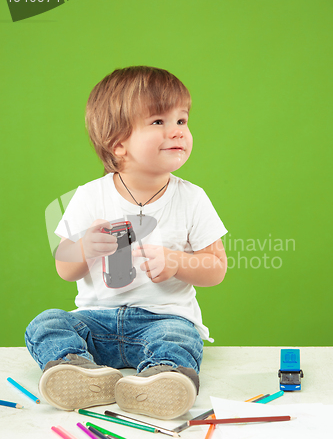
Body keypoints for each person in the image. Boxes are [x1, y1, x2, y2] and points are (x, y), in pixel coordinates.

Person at [25, 66, 228, 420]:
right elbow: (64, 267)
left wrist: (178, 262)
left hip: (161, 320)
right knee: (46, 323)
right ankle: (78, 368)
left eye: (182, 121)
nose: (177, 132)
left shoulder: (192, 198)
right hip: (95, 323)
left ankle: (162, 377)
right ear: (118, 143)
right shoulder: (90, 197)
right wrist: (85, 247)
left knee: (179, 337)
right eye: (158, 122)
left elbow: (216, 267)